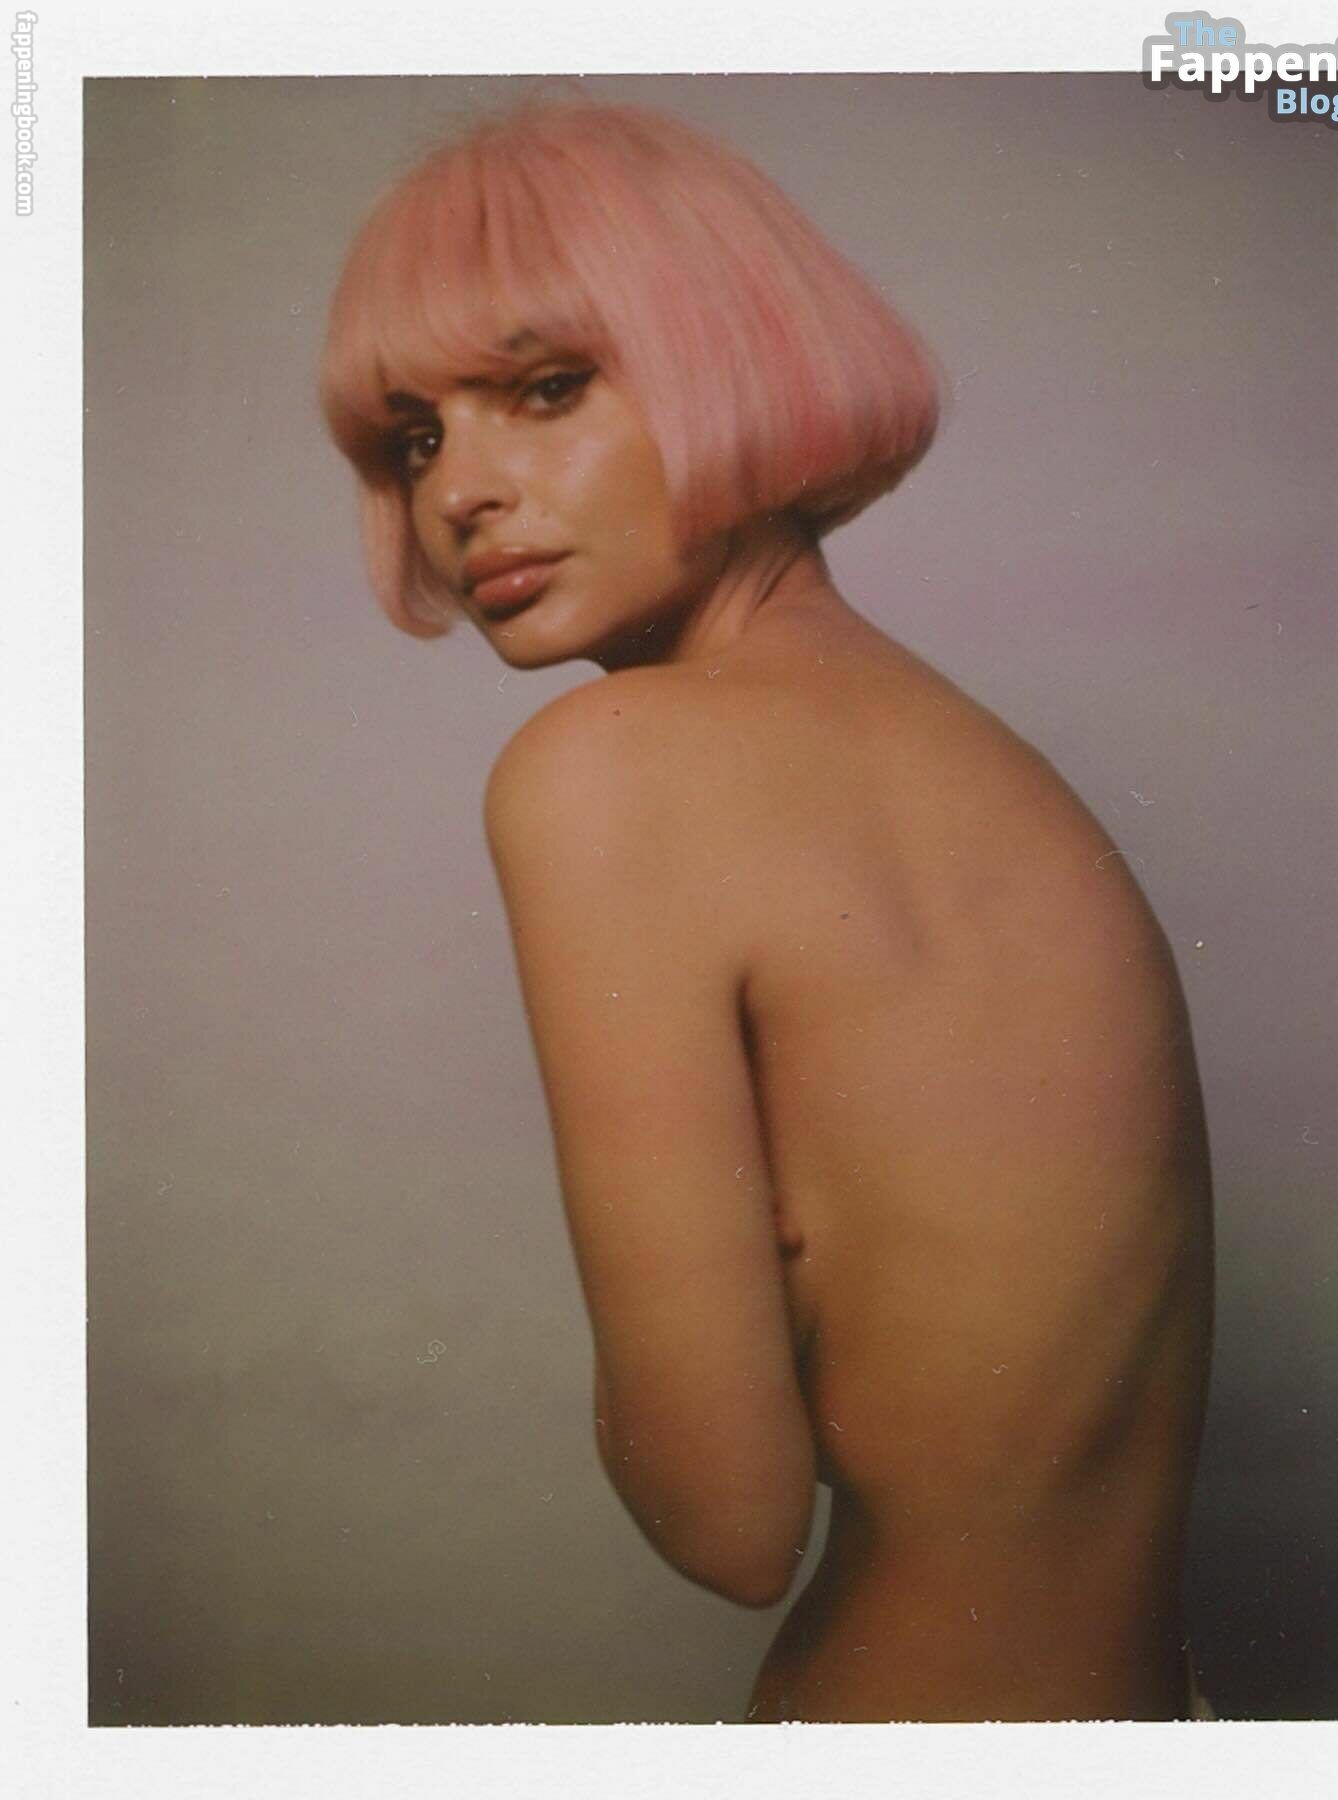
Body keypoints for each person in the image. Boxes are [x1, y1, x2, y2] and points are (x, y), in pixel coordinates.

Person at [320, 99, 1215, 1723]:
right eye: (418, 436)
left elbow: (723, 1516)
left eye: (545, 388)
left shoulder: (605, 770)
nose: (463, 493)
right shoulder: (996, 774)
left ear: (727, 356)